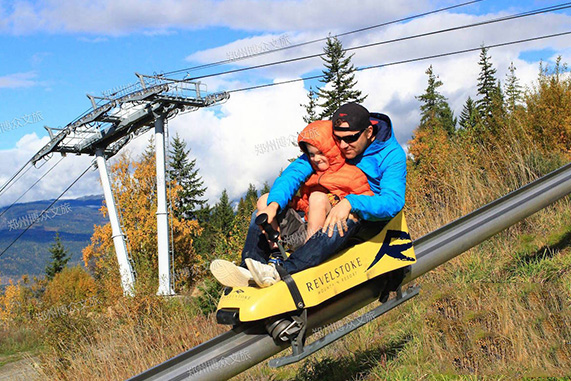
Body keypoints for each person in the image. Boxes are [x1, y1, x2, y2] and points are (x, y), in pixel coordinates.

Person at [211, 102, 407, 288]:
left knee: (340, 221)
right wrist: (274, 205)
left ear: (369, 131)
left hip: (368, 216)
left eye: (351, 139)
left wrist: (351, 203)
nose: (344, 145)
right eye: (338, 139)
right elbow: (293, 175)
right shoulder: (332, 146)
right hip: (328, 208)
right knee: (262, 213)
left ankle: (282, 272)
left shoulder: (391, 154)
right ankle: (249, 268)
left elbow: (393, 201)